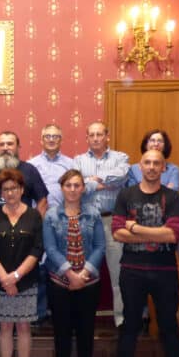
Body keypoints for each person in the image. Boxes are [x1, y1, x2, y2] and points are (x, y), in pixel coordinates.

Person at [111, 150, 179, 357]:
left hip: (165, 271)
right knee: (130, 325)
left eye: (157, 163)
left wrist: (134, 228)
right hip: (132, 270)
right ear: (140, 166)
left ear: (164, 167)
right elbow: (116, 232)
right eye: (147, 162)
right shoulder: (126, 194)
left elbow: (173, 235)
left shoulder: (173, 197)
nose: (152, 167)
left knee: (169, 325)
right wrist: (156, 232)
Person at [43, 169, 105, 357]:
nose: (72, 189)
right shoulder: (51, 216)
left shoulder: (94, 214)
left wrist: (84, 274)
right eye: (68, 185)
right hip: (60, 283)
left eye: (77, 185)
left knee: (85, 332)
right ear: (62, 188)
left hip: (89, 284)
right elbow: (50, 249)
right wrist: (70, 274)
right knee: (62, 333)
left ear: (83, 188)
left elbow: (100, 247)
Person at [0, 131, 48, 335]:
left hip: (24, 235)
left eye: (10, 143)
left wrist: (35, 224)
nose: (6, 147)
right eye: (1, 144)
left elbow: (43, 200)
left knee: (28, 275)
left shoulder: (29, 170)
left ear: (18, 147)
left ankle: (33, 318)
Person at [0, 169, 43, 357]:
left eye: (14, 189)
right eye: (6, 189)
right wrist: (4, 278)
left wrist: (16, 277)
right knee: (5, 328)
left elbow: (37, 249)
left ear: (22, 190)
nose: (10, 193)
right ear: (1, 192)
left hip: (25, 282)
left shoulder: (33, 216)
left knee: (23, 328)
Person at [73, 121, 129, 326]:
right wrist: (104, 183)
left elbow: (122, 175)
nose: (96, 138)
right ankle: (83, 319)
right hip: (85, 223)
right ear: (87, 138)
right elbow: (77, 186)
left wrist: (93, 180)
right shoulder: (77, 160)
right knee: (83, 271)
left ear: (107, 136)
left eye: (100, 134)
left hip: (112, 220)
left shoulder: (120, 158)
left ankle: (121, 320)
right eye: (92, 135)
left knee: (118, 273)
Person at [127, 129, 179, 334]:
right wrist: (159, 232)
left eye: (160, 141)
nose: (156, 144)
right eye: (152, 140)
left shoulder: (173, 168)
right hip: (135, 257)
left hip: (163, 260)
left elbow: (172, 192)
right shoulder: (132, 168)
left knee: (168, 318)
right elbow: (135, 196)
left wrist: (136, 229)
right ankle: (142, 319)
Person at [28, 123, 75, 328]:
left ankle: (59, 315)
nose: (51, 140)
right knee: (38, 268)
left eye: (55, 136)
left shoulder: (70, 164)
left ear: (61, 139)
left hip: (63, 222)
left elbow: (76, 190)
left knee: (60, 266)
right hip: (37, 221)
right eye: (47, 136)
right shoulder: (31, 164)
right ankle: (38, 315)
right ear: (41, 139)